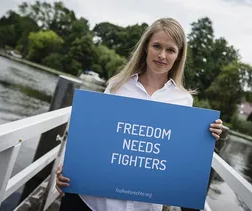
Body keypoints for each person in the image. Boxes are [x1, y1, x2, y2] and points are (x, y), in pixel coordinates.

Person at [56, 17, 223, 211]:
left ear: (179, 55)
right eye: (157, 46)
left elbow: (178, 152)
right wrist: (67, 169)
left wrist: (207, 134)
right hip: (97, 202)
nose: (162, 55)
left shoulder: (184, 100)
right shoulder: (118, 86)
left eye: (170, 50)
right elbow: (94, 135)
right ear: (145, 47)